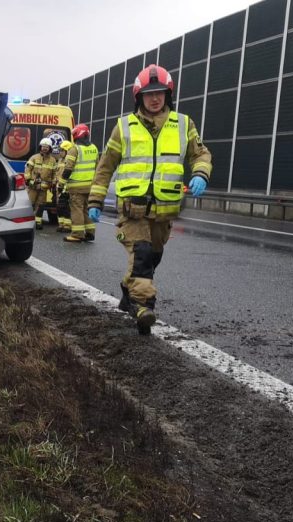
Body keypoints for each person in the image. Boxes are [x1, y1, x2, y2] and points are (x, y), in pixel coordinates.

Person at [88, 64, 212, 334]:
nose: (154, 98)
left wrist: (201, 173)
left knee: (152, 257)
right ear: (139, 97)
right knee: (141, 253)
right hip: (132, 210)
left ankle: (127, 287)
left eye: (159, 93)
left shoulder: (184, 124)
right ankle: (143, 307)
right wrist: (95, 201)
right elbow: (105, 167)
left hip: (164, 213)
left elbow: (200, 154)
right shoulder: (124, 127)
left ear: (168, 94)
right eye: (148, 93)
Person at [58, 124, 99, 243]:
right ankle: (90, 233)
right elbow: (97, 166)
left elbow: (68, 168)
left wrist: (61, 184)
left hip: (76, 186)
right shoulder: (94, 148)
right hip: (90, 186)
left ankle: (77, 234)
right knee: (86, 209)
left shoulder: (74, 149)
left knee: (77, 209)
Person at [24, 137, 59, 229]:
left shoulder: (53, 160)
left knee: (41, 205)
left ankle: (38, 222)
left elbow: (55, 173)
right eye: (43, 146)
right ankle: (28, 222)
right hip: (33, 186)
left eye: (47, 147)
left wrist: (54, 182)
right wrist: (28, 180)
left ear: (50, 148)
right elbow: (28, 170)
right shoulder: (34, 157)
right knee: (30, 204)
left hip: (44, 187)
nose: (44, 148)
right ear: (40, 147)